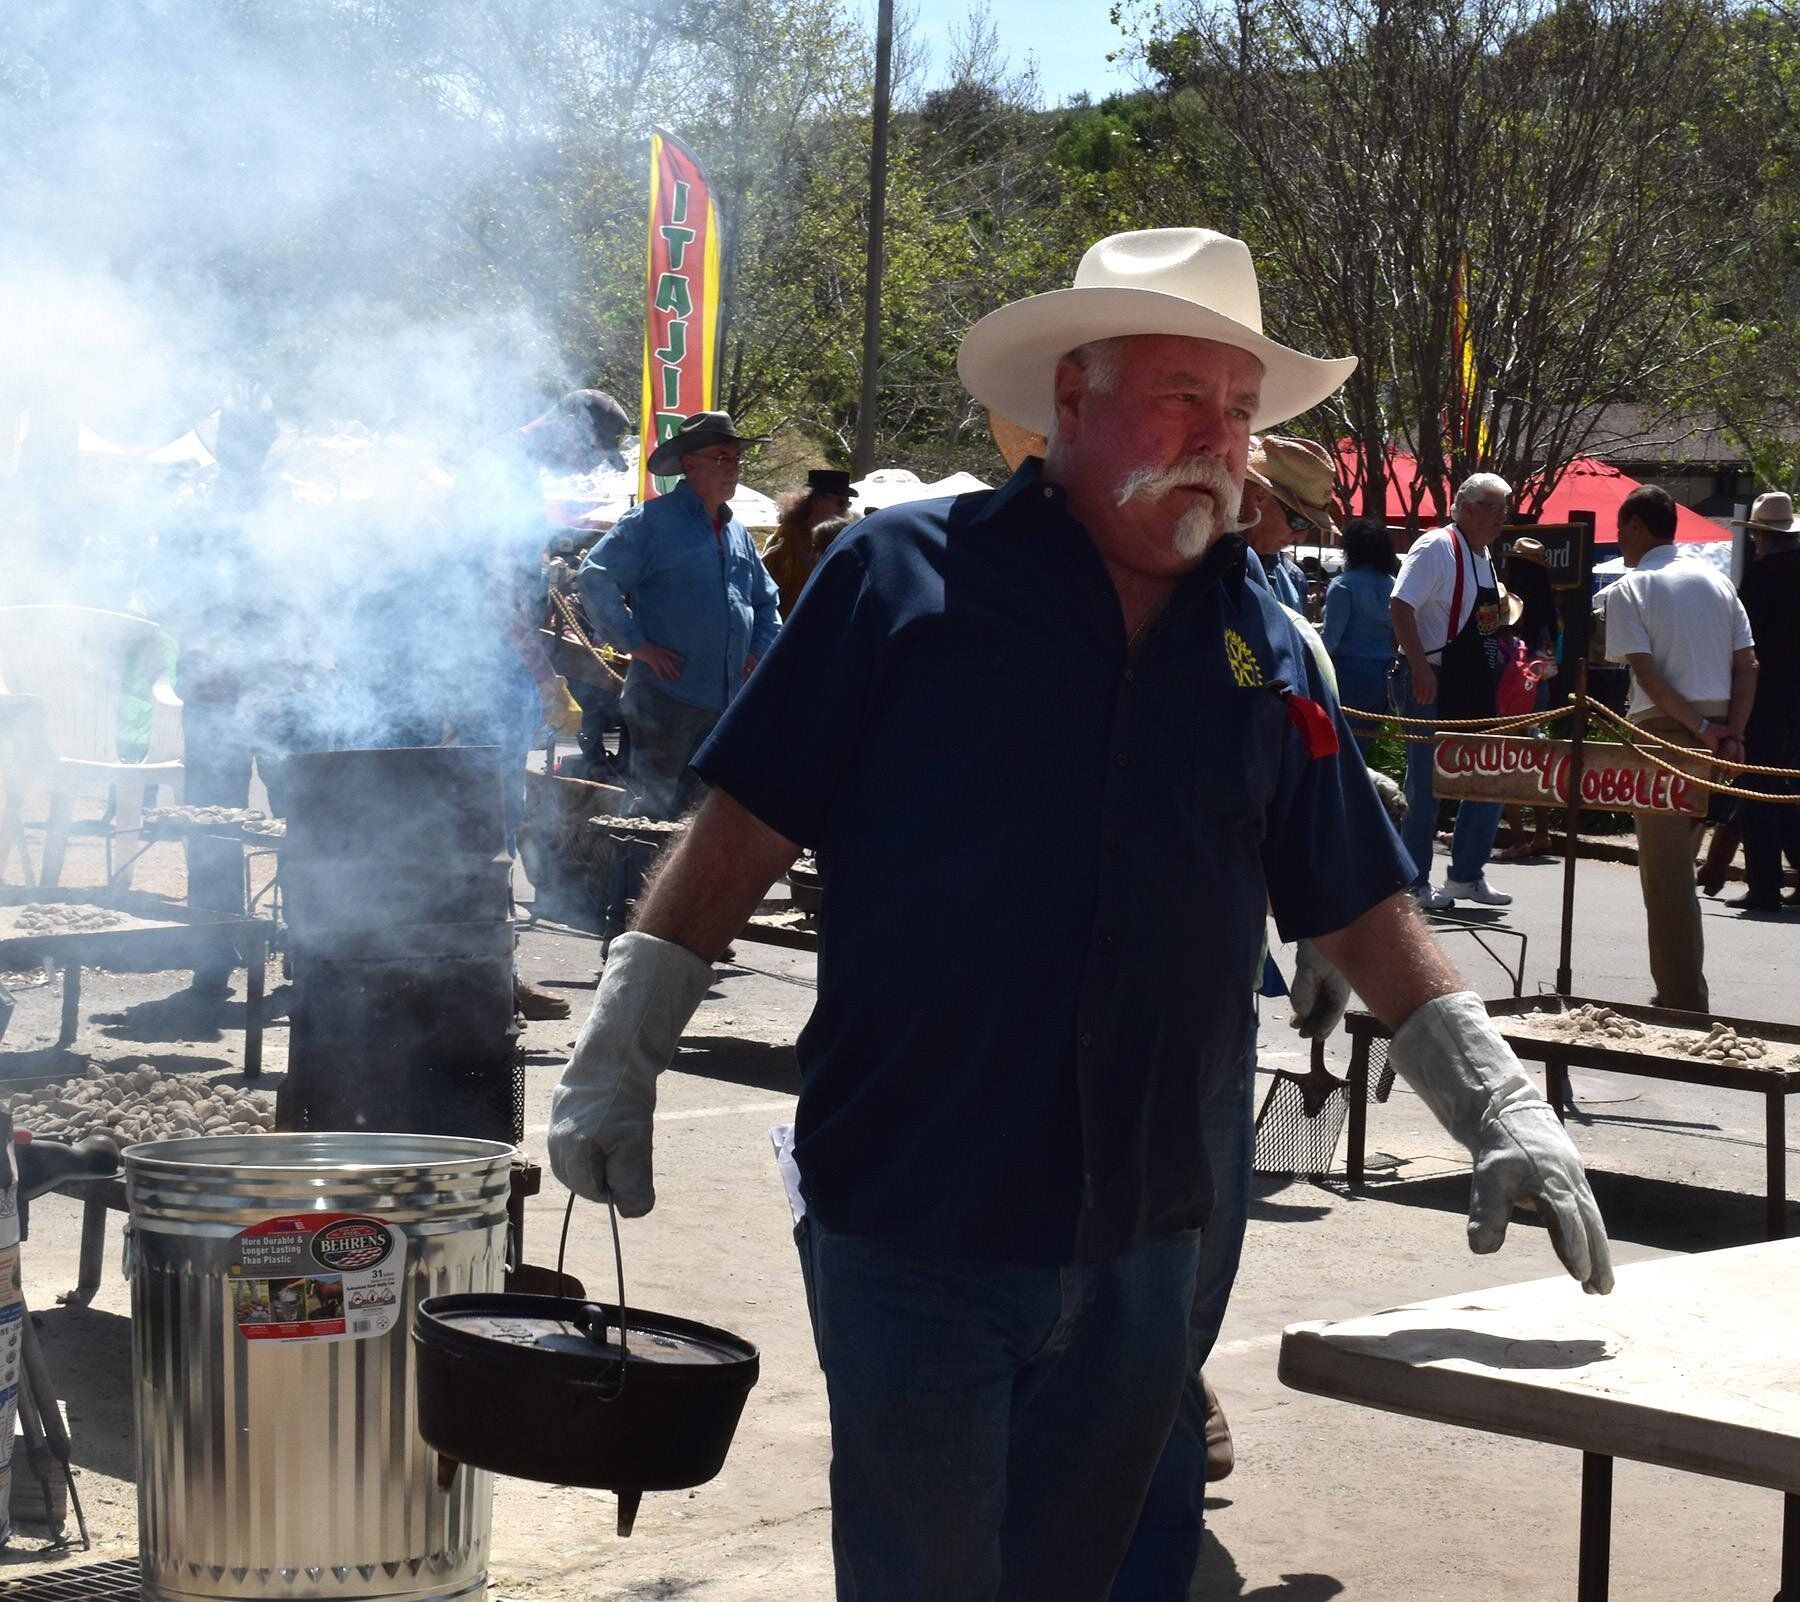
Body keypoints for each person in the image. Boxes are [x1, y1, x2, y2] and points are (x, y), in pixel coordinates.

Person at [547, 228, 1611, 1602]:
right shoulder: (898, 579)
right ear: (1072, 399)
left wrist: (1496, 1101)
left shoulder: (1265, 638)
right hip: (917, 1215)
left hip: (1148, 1233)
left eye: (1239, 409)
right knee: (923, 1577)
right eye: (1182, 396)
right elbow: (744, 825)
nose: (1219, 439)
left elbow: (1353, 894)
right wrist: (625, 1041)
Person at [454, 390, 631, 1018]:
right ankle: (485, 976)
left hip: (488, 671)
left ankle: (488, 970)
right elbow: (499, 595)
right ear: (567, 423)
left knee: (490, 824)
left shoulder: (513, 471)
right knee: (486, 828)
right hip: (476, 676)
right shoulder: (502, 475)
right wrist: (543, 677)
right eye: (587, 448)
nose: (581, 463)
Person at [577, 411, 781, 823]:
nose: (733, 469)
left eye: (736, 460)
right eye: (723, 458)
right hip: (665, 699)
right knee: (649, 813)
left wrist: (756, 650)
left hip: (723, 700)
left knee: (698, 817)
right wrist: (636, 643)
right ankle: (634, 886)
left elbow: (765, 601)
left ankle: (679, 887)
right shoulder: (651, 522)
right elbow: (595, 578)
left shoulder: (735, 530)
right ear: (690, 464)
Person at [1604, 484, 1756, 1009]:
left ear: (1639, 526)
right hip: (1716, 728)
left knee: (1666, 879)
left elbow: (1646, 673)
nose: (1619, 538)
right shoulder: (1716, 581)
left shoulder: (1632, 586)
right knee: (1676, 872)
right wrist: (1730, 730)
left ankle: (1682, 1001)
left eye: (1622, 527)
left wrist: (1703, 727)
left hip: (1668, 732)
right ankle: (1681, 991)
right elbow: (1747, 664)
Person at [1389, 473, 1515, 909]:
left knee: (1486, 779)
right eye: (1493, 506)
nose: (1502, 516)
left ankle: (1465, 875)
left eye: (1505, 507)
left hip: (1472, 681)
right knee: (1425, 784)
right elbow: (1400, 605)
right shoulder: (1436, 546)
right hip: (1432, 678)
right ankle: (1414, 881)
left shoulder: (1484, 555)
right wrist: (1421, 667)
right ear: (1464, 506)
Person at [1725, 492, 1800, 909]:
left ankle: (1765, 885)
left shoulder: (1762, 575)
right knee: (1789, 787)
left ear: (1761, 534)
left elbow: (1744, 642)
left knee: (1758, 787)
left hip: (1767, 694)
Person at [1322, 516, 1398, 756]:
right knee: (1363, 746)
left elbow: (1330, 641)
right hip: (1384, 676)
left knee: (1341, 746)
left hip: (1348, 674)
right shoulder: (1394, 585)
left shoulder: (1343, 585)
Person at [1239, 435, 1326, 612]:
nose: (1301, 538)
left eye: (1310, 526)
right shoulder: (1193, 562)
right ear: (1259, 497)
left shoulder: (1293, 579)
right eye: (1299, 522)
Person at [762, 468, 857, 617]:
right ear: (816, 501)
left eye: (848, 504)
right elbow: (764, 597)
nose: (845, 509)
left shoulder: (840, 538)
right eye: (840, 502)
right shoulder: (785, 540)